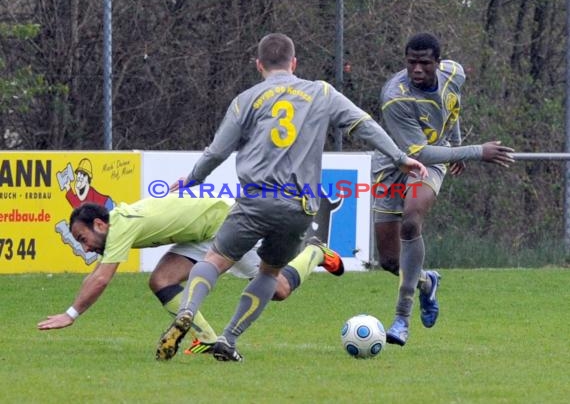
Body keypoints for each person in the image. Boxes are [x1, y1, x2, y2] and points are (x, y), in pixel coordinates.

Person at [155, 32, 429, 362]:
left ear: (259, 65)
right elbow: (363, 124)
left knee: (213, 260)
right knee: (269, 274)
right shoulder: (322, 92)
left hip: (255, 200)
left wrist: (192, 180)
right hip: (298, 207)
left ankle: (187, 311)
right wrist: (400, 157)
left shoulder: (246, 100)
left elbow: (216, 152)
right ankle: (228, 339)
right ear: (294, 63)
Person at [37, 193, 345, 355]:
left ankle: (315, 251)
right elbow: (96, 274)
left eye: (83, 238)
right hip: (201, 233)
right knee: (161, 280)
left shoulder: (120, 226)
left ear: (100, 225)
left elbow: (101, 278)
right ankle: (209, 340)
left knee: (276, 290)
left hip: (225, 224)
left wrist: (71, 314)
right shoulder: (119, 222)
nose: (86, 247)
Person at [372, 32, 515, 346]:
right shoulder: (395, 98)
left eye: (424, 63)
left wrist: (455, 142)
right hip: (392, 165)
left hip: (432, 161)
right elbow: (416, 153)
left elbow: (452, 109)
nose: (417, 69)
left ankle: (401, 319)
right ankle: (426, 281)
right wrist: (473, 151)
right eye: (412, 63)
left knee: (411, 221)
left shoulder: (455, 73)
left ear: (438, 62)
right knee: (389, 261)